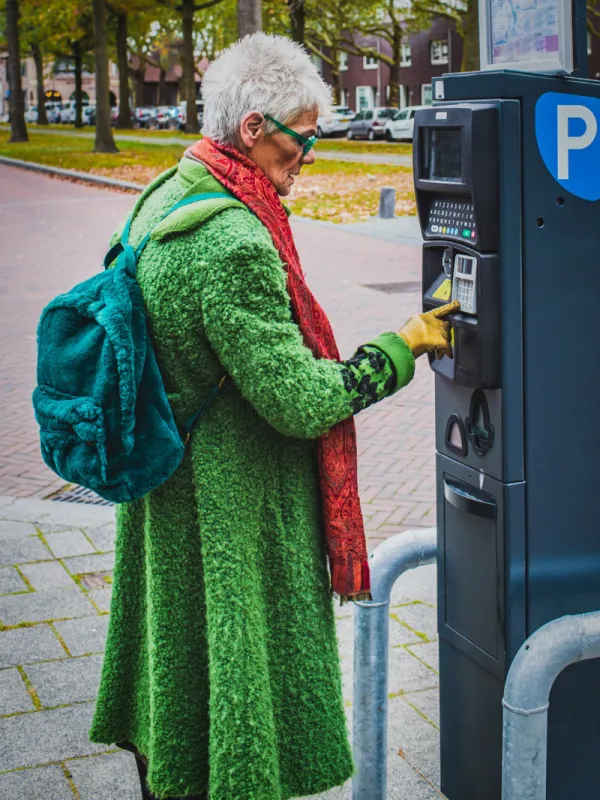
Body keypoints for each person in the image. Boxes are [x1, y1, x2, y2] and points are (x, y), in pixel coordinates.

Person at [89, 32, 453, 800]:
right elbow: (299, 401)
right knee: (236, 704)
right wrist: (405, 342)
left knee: (179, 687)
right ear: (254, 128)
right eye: (304, 137)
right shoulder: (231, 242)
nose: (309, 156)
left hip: (167, 490)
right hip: (230, 510)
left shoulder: (164, 195)